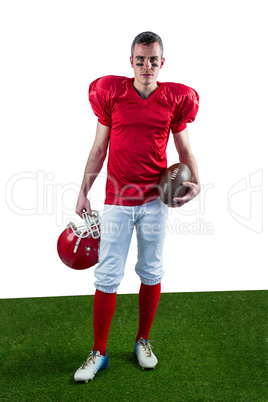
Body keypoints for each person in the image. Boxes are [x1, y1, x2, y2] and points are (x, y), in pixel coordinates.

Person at [74, 31, 200, 382]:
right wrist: (83, 191)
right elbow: (99, 148)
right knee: (108, 274)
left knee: (152, 269)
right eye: (141, 59)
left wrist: (197, 181)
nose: (147, 66)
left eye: (154, 60)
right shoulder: (112, 94)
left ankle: (142, 340)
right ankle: (99, 351)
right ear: (131, 61)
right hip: (117, 198)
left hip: (155, 201)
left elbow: (185, 151)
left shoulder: (175, 99)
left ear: (162, 63)